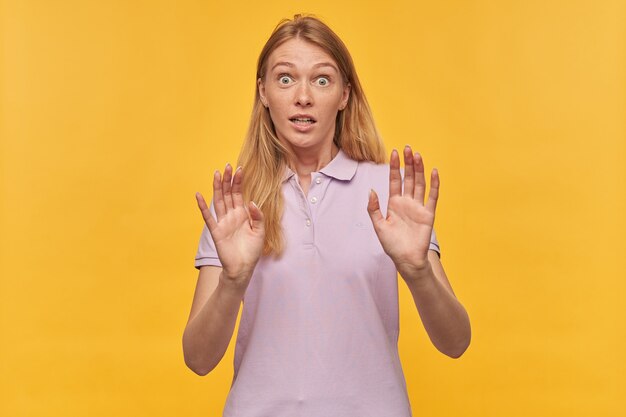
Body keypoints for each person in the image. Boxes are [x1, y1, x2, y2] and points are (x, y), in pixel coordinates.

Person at [183, 14, 471, 417]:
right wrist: (233, 282)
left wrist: (418, 270)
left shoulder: (390, 194)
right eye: (285, 79)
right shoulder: (234, 204)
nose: (303, 96)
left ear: (344, 94)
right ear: (263, 92)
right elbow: (198, 360)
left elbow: (455, 342)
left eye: (321, 80)